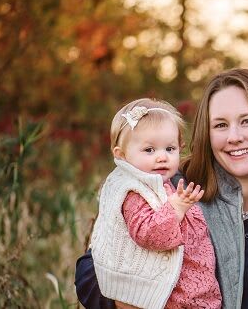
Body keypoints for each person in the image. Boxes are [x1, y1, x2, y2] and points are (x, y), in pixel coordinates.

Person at [75, 69, 248, 309]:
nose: (234, 137)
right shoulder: (174, 190)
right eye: (220, 125)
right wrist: (129, 301)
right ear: (205, 133)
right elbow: (89, 273)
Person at [90, 98, 221, 308]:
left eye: (169, 149)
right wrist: (176, 208)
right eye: (149, 150)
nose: (162, 157)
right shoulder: (134, 193)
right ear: (122, 156)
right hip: (171, 299)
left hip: (196, 293)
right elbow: (148, 235)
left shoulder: (163, 184)